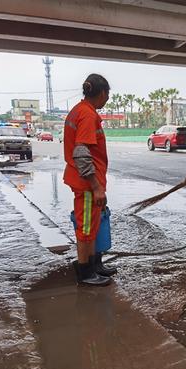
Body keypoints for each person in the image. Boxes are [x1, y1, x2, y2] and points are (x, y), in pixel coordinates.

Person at [63, 74, 116, 286]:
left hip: (88, 182)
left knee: (93, 225)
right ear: (102, 93)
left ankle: (95, 265)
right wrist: (96, 187)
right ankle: (86, 272)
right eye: (108, 94)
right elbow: (81, 153)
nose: (108, 99)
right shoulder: (86, 115)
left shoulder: (81, 110)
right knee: (85, 228)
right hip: (86, 184)